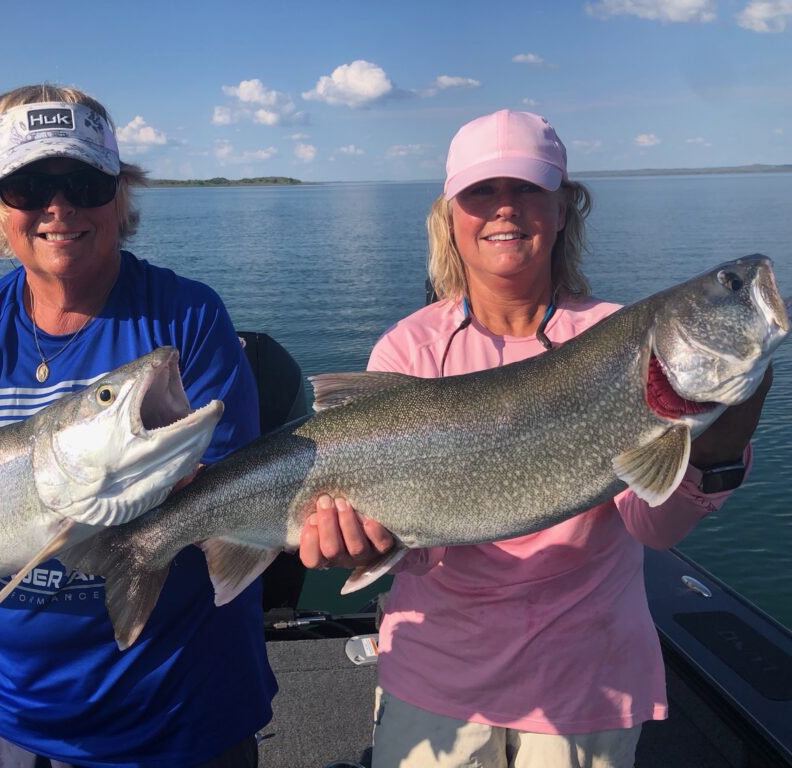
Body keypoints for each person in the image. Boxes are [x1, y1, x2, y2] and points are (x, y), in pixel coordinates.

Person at [299, 109, 772, 768]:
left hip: (586, 676)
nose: (504, 209)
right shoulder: (407, 348)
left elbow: (652, 525)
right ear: (450, 216)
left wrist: (735, 404)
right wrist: (351, 544)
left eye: (526, 188)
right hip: (437, 675)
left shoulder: (615, 335)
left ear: (563, 207)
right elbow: (404, 547)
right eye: (481, 192)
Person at [0, 84, 276, 767]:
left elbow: (229, 513)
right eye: (28, 186)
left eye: (84, 181)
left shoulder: (187, 321)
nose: (59, 206)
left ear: (120, 192)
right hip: (17, 719)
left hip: (181, 713)